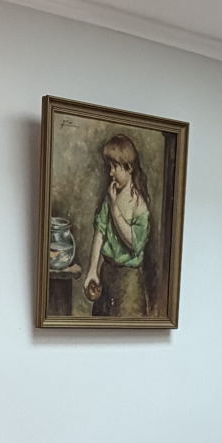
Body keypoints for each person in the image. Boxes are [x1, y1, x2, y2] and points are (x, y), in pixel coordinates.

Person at [81, 134, 153, 318]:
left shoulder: (138, 203)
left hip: (129, 280)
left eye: (114, 167)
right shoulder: (111, 196)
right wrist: (93, 270)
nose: (111, 173)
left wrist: (114, 207)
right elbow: (100, 231)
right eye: (109, 167)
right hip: (107, 274)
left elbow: (133, 243)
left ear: (129, 168)